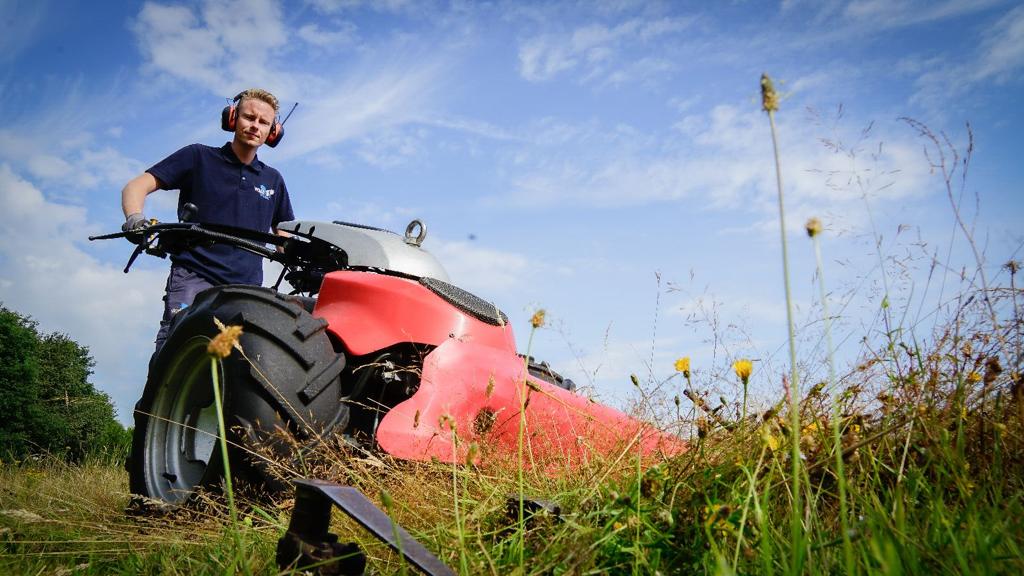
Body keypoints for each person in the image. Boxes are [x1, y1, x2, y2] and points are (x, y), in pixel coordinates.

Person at [120, 88, 294, 349]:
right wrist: (135, 218)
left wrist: (294, 257)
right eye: (249, 117)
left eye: (263, 122)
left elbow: (283, 232)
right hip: (194, 274)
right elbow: (136, 186)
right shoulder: (198, 157)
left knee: (237, 361)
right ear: (233, 118)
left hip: (246, 288)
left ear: (272, 132)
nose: (254, 126)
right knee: (177, 346)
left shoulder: (273, 180)